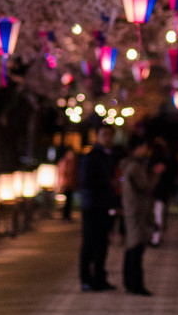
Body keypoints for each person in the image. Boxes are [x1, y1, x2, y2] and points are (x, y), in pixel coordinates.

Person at [121, 134, 165, 295]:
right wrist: (155, 174)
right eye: (143, 147)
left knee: (133, 246)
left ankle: (130, 283)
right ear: (137, 148)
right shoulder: (135, 166)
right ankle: (135, 284)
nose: (146, 150)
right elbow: (146, 186)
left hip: (134, 209)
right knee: (136, 247)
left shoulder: (130, 164)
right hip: (138, 210)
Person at [78, 126, 119, 291]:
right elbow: (85, 181)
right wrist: (108, 183)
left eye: (110, 135)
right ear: (98, 136)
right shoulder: (91, 157)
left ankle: (100, 278)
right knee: (89, 243)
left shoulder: (109, 156)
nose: (107, 138)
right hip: (92, 206)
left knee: (103, 243)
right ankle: (86, 279)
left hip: (105, 205)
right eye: (104, 135)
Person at [149, 136, 175, 245]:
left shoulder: (162, 160)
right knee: (158, 216)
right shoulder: (161, 160)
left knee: (157, 216)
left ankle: (156, 238)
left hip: (158, 192)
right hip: (158, 192)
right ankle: (155, 237)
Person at [57, 147, 78, 221]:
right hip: (66, 184)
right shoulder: (65, 162)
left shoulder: (72, 162)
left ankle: (67, 215)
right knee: (66, 201)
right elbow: (63, 173)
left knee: (69, 200)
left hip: (71, 184)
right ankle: (65, 216)